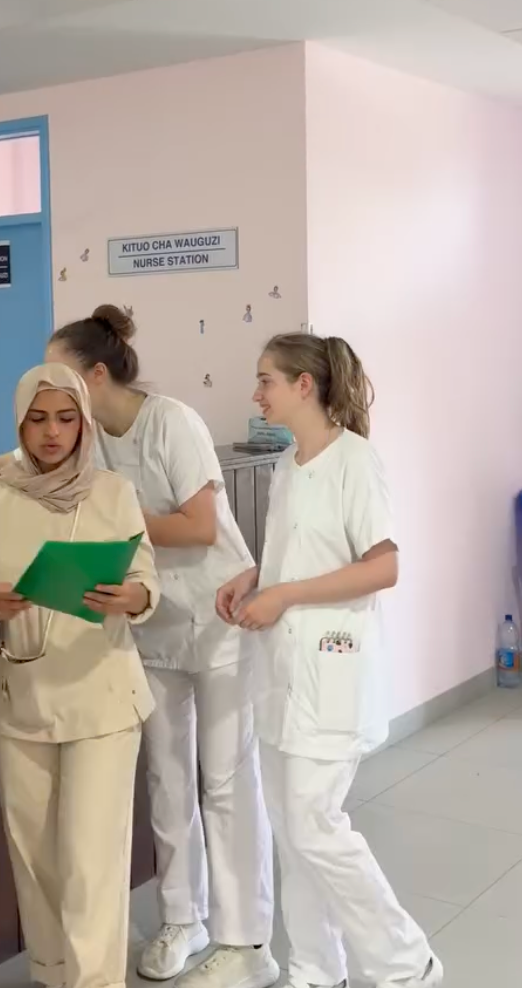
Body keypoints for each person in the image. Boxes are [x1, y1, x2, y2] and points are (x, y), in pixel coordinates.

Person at [47, 309, 276, 988]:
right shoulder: (87, 437)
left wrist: (110, 516)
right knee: (166, 777)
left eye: (62, 372)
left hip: (219, 614)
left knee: (227, 781)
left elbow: (200, 525)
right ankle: (185, 918)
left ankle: (245, 940)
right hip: (150, 624)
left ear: (95, 373)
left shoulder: (171, 422)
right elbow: (6, 465)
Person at [216, 333, 442, 988]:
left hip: (332, 666)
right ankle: (316, 969)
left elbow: (384, 566)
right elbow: (303, 552)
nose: (257, 394)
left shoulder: (355, 461)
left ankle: (407, 962)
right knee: (291, 831)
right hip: (284, 673)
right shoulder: (290, 464)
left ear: (304, 386)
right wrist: (255, 577)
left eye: (267, 381)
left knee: (316, 825)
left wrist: (285, 594)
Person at [0, 362, 159, 988]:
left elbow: (147, 579)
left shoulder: (113, 492)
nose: (52, 433)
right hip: (22, 695)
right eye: (38, 419)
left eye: (66, 418)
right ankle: (53, 973)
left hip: (100, 693)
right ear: (20, 422)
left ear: (83, 422)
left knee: (91, 860)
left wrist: (130, 598)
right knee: (37, 858)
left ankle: (96, 981)